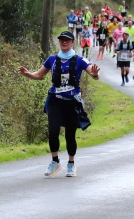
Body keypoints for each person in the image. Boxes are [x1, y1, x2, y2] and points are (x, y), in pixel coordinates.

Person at [17, 31, 100, 177]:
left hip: (72, 102)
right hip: (56, 100)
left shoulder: (80, 60)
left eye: (67, 40)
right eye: (61, 40)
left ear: (73, 42)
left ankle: (71, 164)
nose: (64, 42)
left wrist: (95, 74)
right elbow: (39, 75)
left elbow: (93, 74)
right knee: (53, 131)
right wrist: (28, 74)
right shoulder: (52, 60)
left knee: (70, 135)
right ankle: (55, 161)